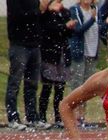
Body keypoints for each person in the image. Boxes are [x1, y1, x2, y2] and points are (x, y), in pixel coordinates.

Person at [5, 0, 51, 131]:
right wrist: (40, 8)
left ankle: (32, 117)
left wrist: (46, 10)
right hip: (19, 44)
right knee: (15, 82)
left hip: (34, 44)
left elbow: (40, 20)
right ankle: (13, 118)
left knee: (32, 83)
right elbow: (20, 16)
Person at [39, 0, 76, 129]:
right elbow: (49, 29)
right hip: (49, 55)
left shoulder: (65, 12)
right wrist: (64, 25)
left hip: (62, 54)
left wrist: (69, 26)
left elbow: (68, 33)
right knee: (47, 87)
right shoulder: (45, 14)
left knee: (60, 89)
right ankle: (42, 116)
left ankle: (58, 117)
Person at [69, 0, 100, 127]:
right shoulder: (75, 10)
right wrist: (92, 19)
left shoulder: (95, 9)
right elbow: (78, 30)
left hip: (92, 53)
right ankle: (74, 117)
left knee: (87, 87)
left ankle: (82, 117)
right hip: (79, 53)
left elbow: (99, 28)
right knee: (77, 85)